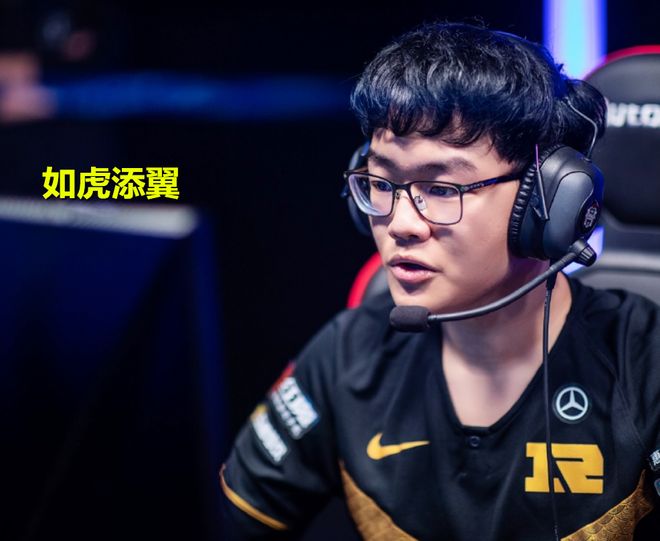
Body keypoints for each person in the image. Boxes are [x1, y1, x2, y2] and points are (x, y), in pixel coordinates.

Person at [220, 22, 660, 540]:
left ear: (546, 203)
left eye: (442, 188)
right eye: (382, 182)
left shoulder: (647, 365)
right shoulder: (347, 355)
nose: (401, 224)